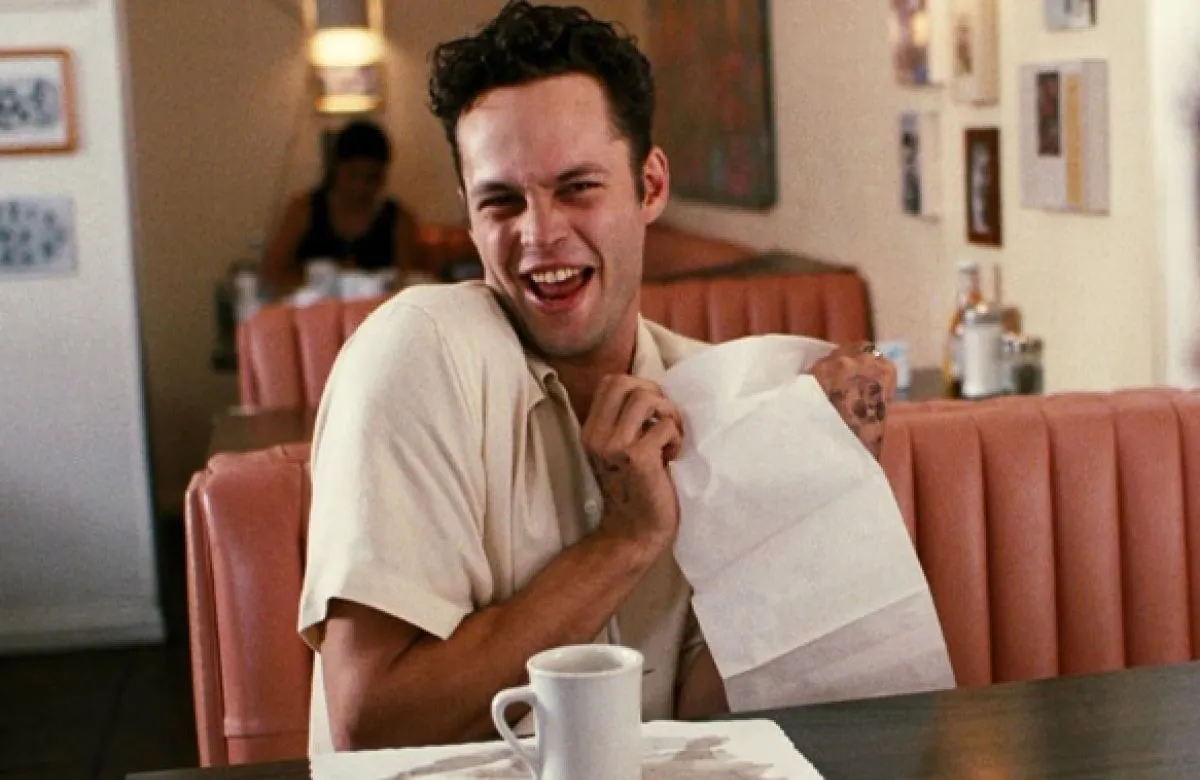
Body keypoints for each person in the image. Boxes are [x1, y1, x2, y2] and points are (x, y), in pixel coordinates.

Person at [298, 0, 896, 754]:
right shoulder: (416, 353)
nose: (540, 233)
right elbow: (372, 723)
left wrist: (818, 493)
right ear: (469, 216)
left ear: (650, 186)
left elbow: (712, 725)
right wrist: (625, 540)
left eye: (577, 187)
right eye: (501, 201)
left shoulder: (708, 393)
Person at [261, 119, 418, 295]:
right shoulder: (303, 210)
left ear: (383, 176)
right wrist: (325, 283)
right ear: (336, 169)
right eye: (352, 175)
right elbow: (271, 273)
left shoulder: (400, 221)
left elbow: (405, 284)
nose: (360, 187)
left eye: (371, 178)